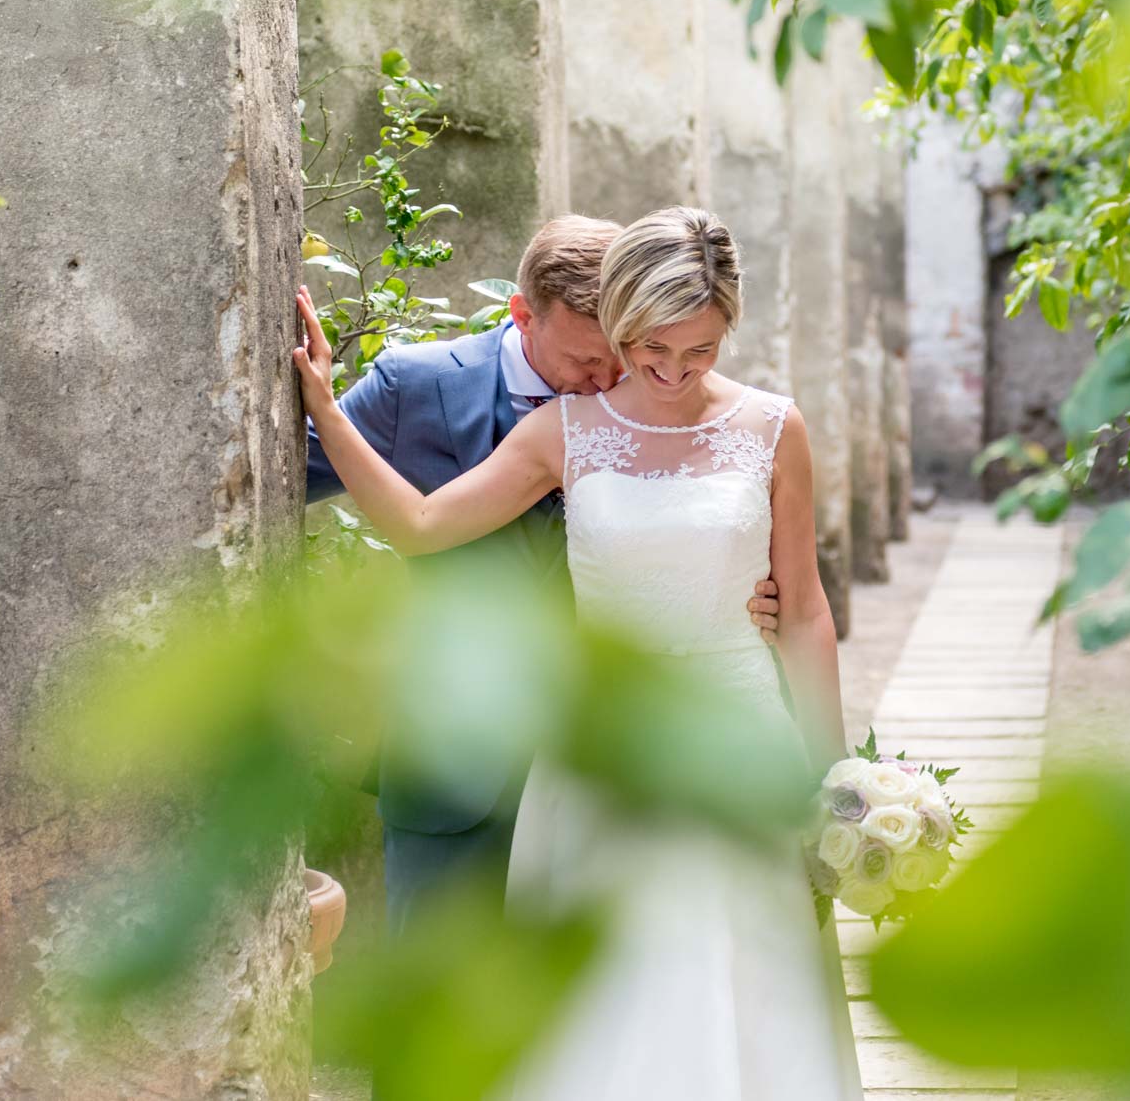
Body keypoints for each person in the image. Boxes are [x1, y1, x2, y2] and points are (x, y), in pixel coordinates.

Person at [293, 205, 862, 1099]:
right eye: (654, 350)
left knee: (746, 977)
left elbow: (804, 613)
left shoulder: (774, 428)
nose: (674, 373)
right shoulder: (565, 431)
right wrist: (328, 409)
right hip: (598, 759)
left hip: (740, 737)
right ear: (624, 326)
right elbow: (422, 523)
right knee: (610, 999)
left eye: (701, 351)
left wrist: (836, 782)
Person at [303, 213, 783, 934]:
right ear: (522, 314)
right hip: (456, 757)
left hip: (607, 759)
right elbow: (272, 476)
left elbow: (726, 511)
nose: (609, 377)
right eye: (588, 360)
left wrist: (753, 591)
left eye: (620, 354)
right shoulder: (415, 386)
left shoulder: (660, 387)